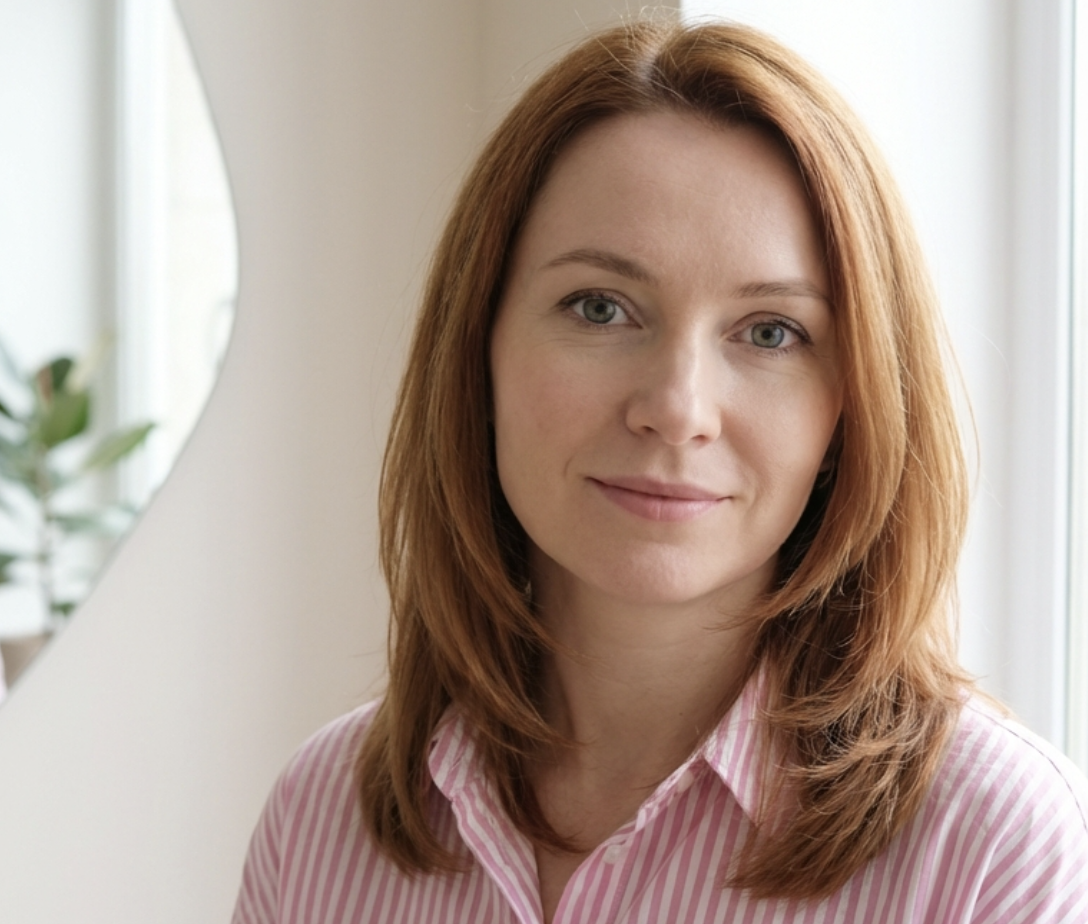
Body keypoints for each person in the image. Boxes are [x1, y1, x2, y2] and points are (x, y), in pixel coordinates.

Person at [232, 18, 1088, 923]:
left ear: (852, 407)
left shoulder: (993, 848)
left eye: (770, 332)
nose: (678, 407)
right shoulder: (318, 817)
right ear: (478, 350)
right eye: (600, 308)